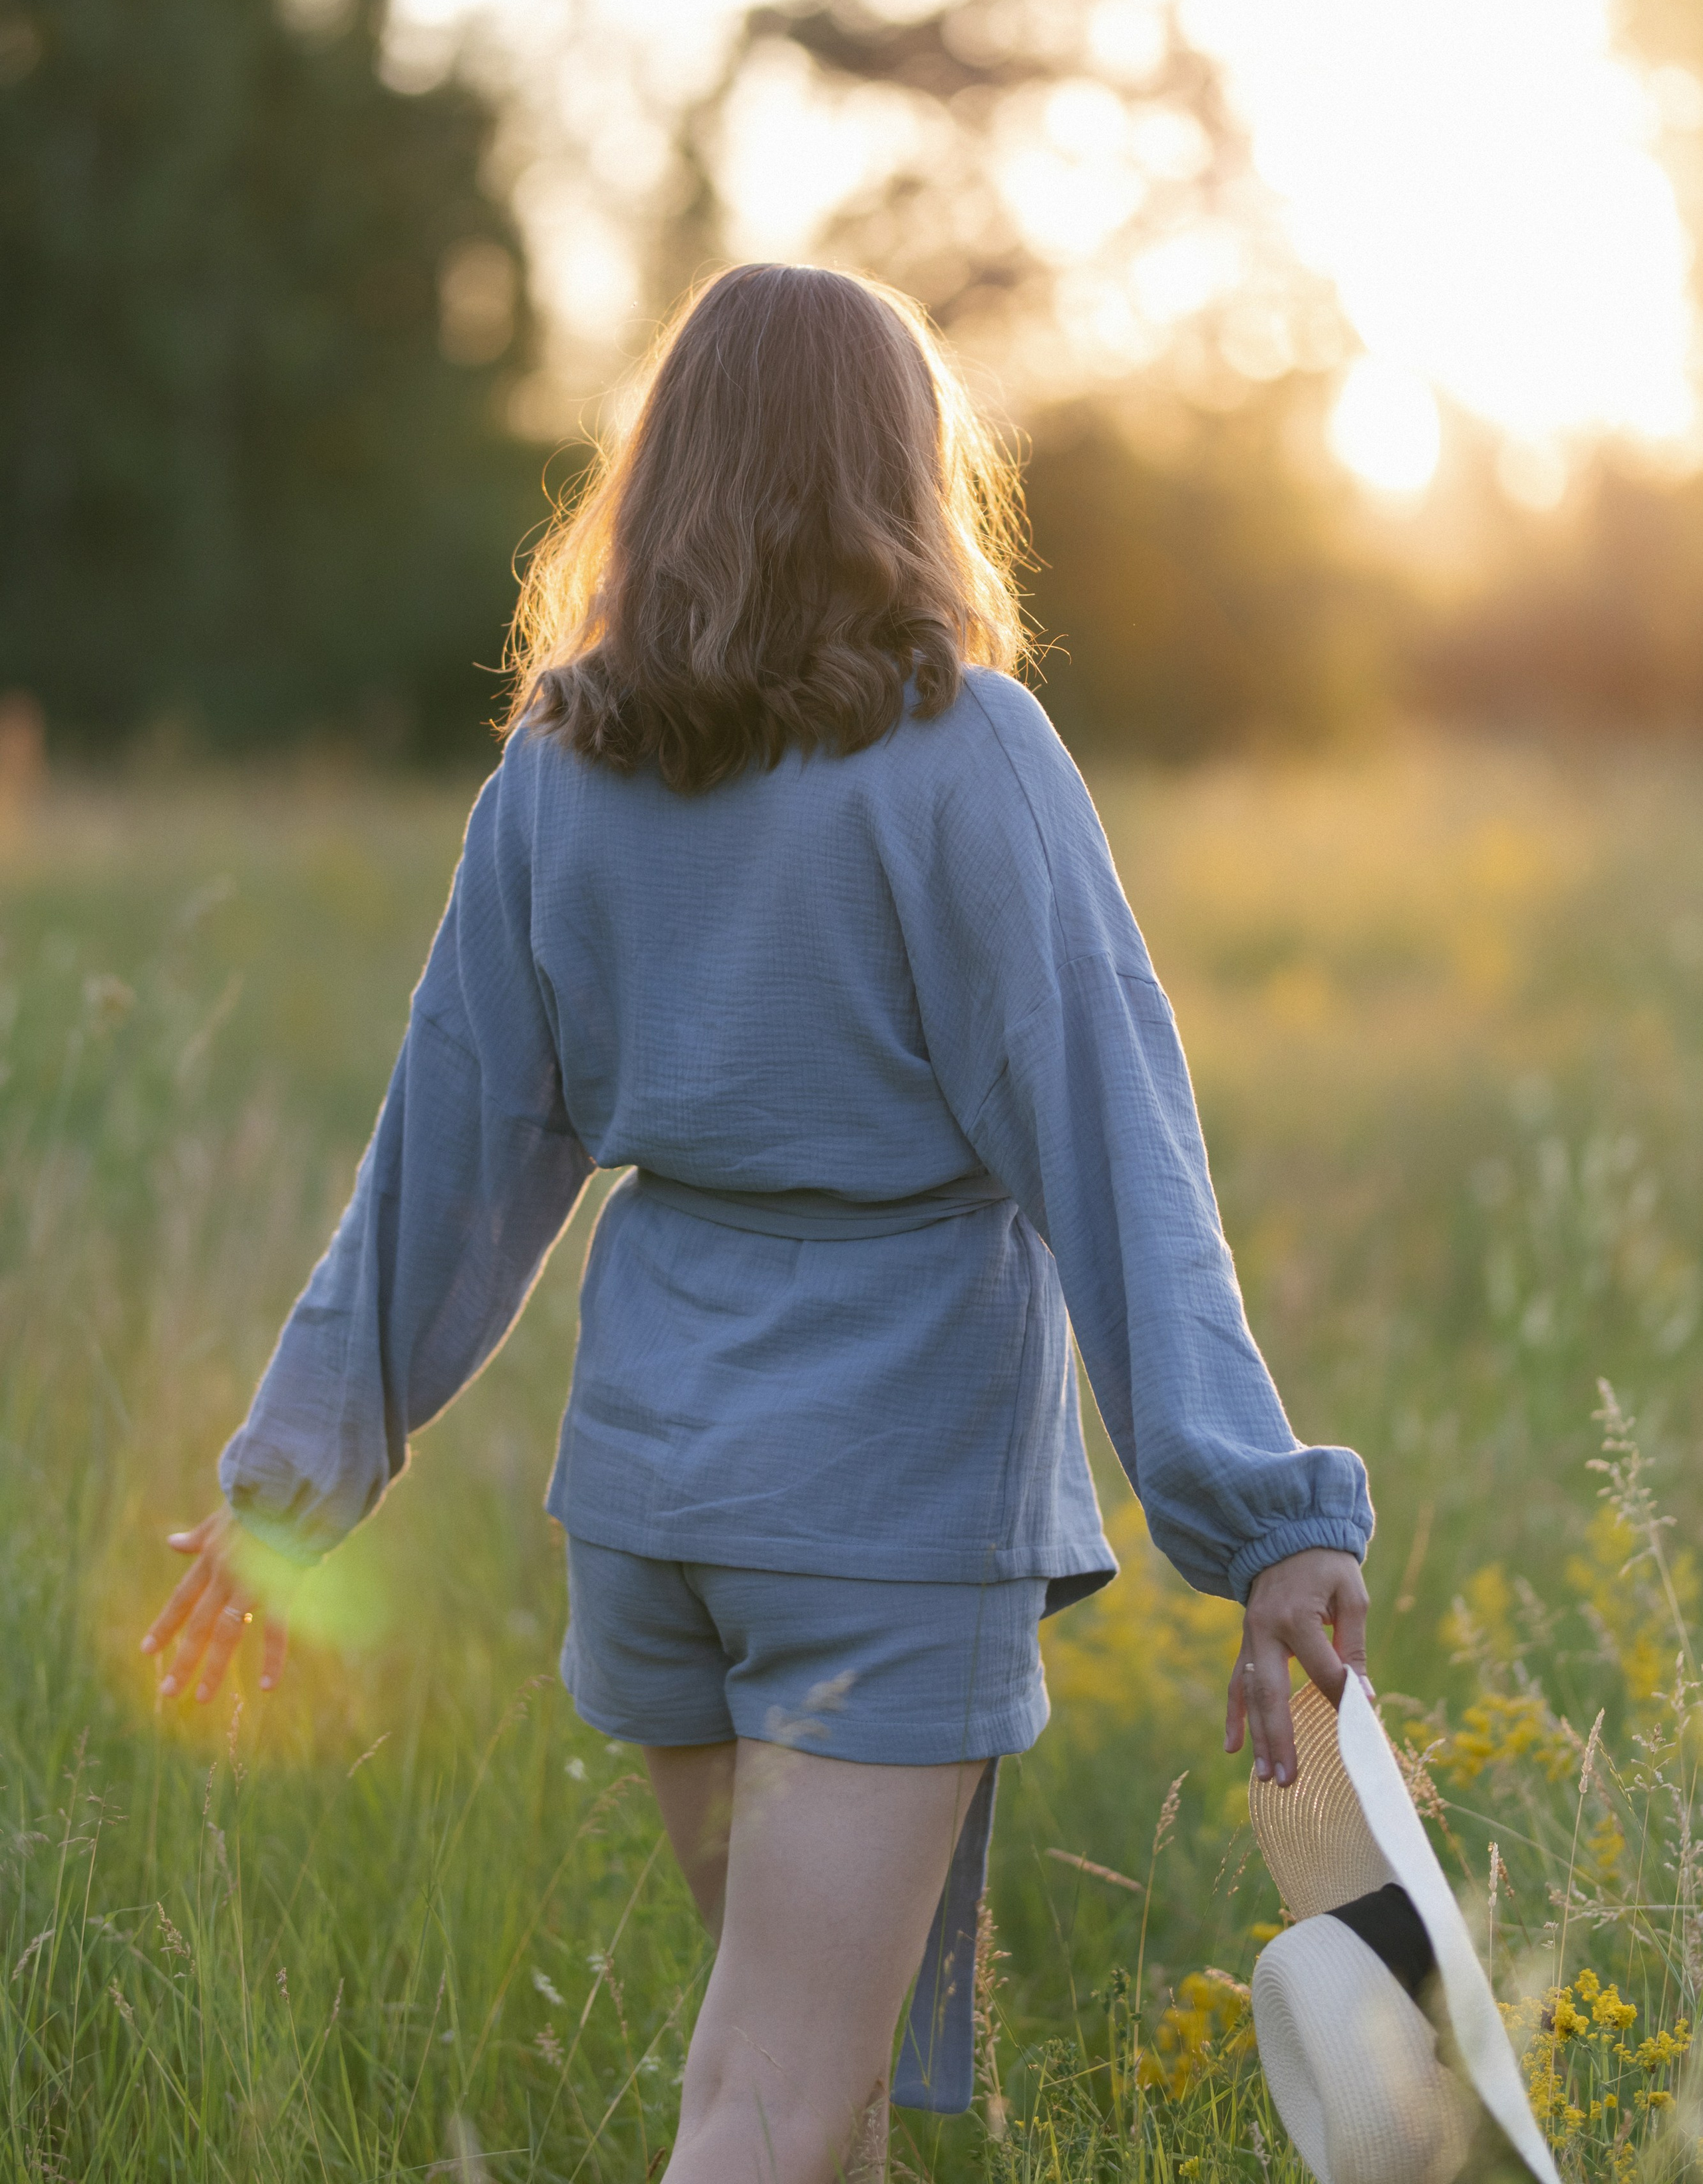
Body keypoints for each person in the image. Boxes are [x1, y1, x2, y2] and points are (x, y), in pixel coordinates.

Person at [141, 264, 1374, 2184]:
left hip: (658, 1508)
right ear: (905, 469)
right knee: (773, 2105)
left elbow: (446, 1164)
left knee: (816, 2092)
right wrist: (1263, 1516)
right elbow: (1116, 1147)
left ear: (666, 469)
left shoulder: (560, 769)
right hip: (884, 1504)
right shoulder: (972, 756)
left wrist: (295, 1475)